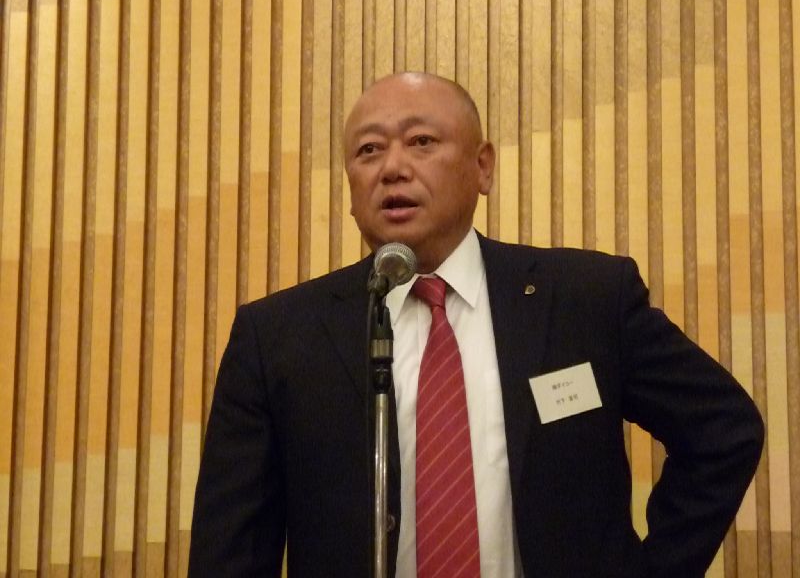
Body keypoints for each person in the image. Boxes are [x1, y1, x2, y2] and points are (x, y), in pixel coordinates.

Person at [188, 72, 764, 577]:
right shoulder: (278, 336)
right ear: (351, 188)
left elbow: (724, 430)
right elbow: (232, 548)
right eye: (368, 151)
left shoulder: (586, 300)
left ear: (482, 167)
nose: (393, 168)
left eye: (421, 142)